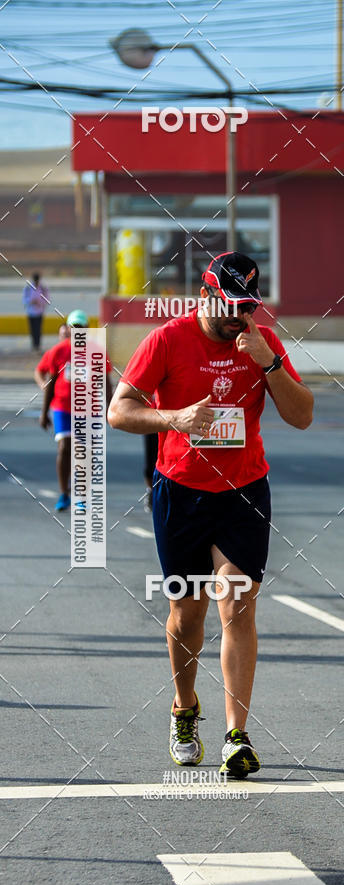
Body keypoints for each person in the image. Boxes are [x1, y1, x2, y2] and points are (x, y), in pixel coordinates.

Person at [108, 251, 314, 776]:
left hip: (244, 491)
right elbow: (119, 410)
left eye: (247, 307)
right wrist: (173, 417)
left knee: (237, 606)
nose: (237, 318)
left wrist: (267, 361)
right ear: (204, 295)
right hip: (182, 492)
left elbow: (302, 416)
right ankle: (184, 707)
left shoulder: (260, 342)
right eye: (229, 305)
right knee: (188, 614)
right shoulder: (167, 340)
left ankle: (237, 736)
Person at [38, 310, 113, 512]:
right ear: (69, 329)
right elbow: (51, 383)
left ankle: (81, 495)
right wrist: (44, 412)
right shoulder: (59, 351)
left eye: (82, 328)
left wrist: (110, 408)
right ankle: (64, 493)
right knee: (64, 447)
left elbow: (105, 382)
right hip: (63, 407)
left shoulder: (97, 351)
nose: (78, 331)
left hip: (88, 409)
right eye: (74, 328)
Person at [35, 323, 69, 389]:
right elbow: (39, 371)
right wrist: (43, 384)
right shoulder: (53, 352)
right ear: (59, 336)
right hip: (60, 397)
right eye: (64, 335)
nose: (66, 338)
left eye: (68, 335)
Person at [22, 272, 49, 351]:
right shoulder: (27, 288)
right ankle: (34, 345)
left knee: (38, 330)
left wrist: (40, 302)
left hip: (39, 312)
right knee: (32, 330)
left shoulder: (43, 288)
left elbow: (47, 299)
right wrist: (31, 301)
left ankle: (37, 345)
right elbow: (24, 300)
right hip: (30, 312)